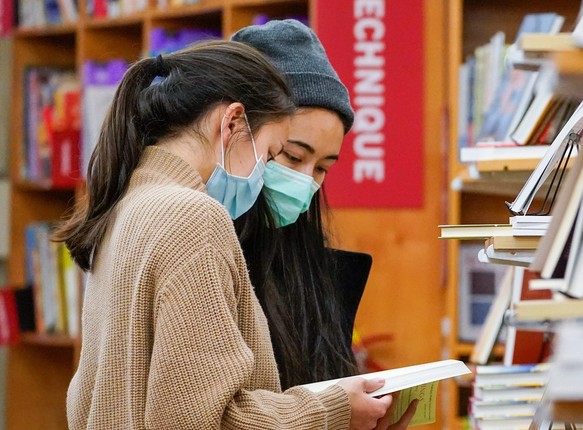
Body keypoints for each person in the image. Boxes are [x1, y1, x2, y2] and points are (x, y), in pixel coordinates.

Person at [53, 40, 394, 429]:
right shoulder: (193, 216)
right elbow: (201, 419)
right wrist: (333, 410)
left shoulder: (127, 205)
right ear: (232, 122)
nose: (266, 174)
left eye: (322, 168)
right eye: (273, 155)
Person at [231, 20, 372, 388]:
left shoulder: (309, 264)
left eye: (324, 167)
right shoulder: (200, 244)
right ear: (235, 131)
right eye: (293, 156)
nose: (306, 182)